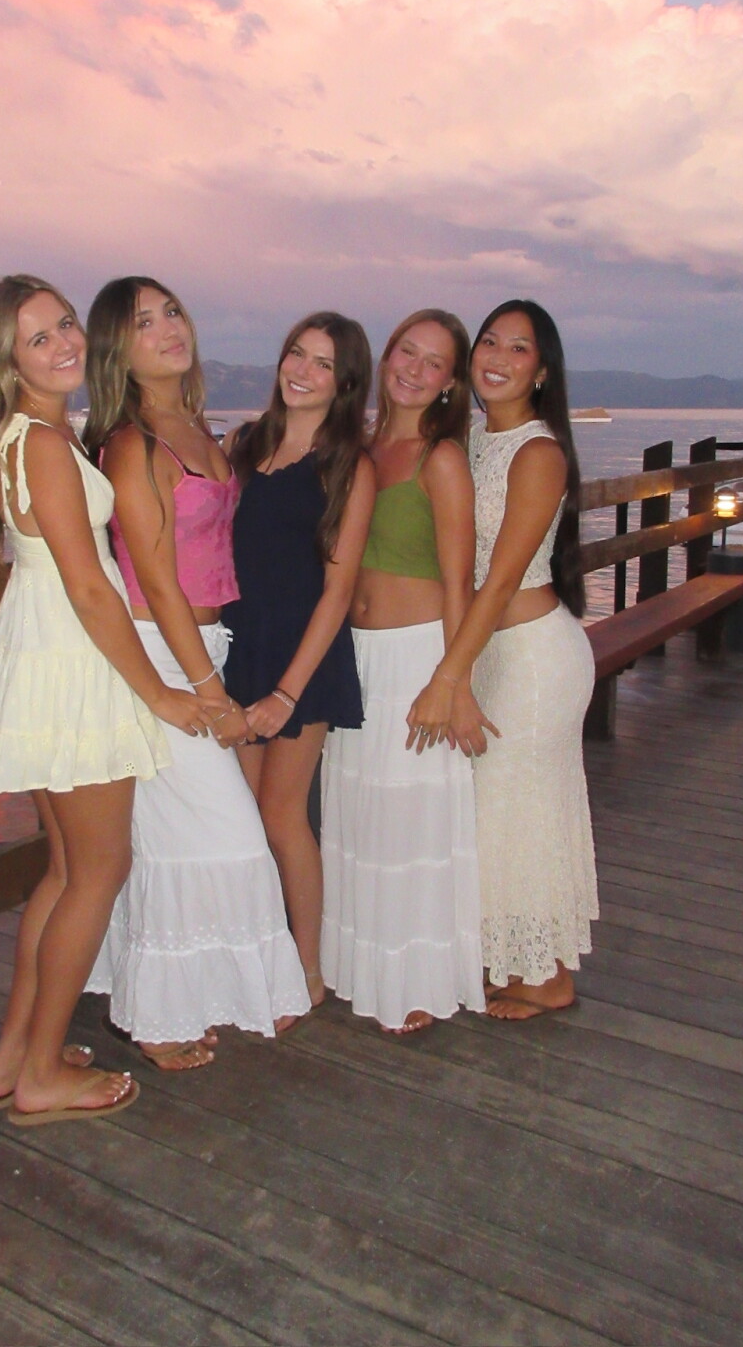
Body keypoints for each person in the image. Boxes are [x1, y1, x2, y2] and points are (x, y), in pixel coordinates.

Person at [0, 275, 214, 1125]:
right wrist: (160, 694)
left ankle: (14, 1056)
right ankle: (38, 1074)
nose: (65, 342)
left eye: (65, 324)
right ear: (7, 361)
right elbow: (92, 589)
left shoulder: (27, 434)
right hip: (73, 666)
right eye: (39, 338)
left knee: (67, 871)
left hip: (43, 660)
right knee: (99, 871)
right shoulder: (42, 444)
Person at [81, 278, 311, 1067]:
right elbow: (157, 580)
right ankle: (157, 1016)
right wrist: (211, 696)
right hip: (161, 653)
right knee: (225, 831)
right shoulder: (133, 443)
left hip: (203, 648)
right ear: (118, 350)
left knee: (177, 836)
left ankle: (165, 1001)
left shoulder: (193, 426)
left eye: (171, 311)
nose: (167, 328)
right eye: (143, 323)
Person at [407, 299, 598, 1020]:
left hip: (532, 659)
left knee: (522, 813)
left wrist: (447, 676)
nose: (498, 357)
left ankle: (547, 977)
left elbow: (501, 578)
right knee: (497, 815)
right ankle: (514, 959)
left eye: (519, 348)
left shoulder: (538, 453)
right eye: (490, 341)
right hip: (485, 651)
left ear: (542, 371)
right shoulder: (469, 439)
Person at [320, 310, 486, 1034]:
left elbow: (460, 581)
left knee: (411, 824)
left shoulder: (439, 459)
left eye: (434, 363)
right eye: (406, 353)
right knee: (360, 820)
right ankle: (361, 968)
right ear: (386, 356)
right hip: (355, 656)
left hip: (417, 657)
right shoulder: (358, 445)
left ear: (450, 382)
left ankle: (416, 981)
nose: (414, 370)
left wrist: (456, 682)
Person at [224, 313, 375, 1008]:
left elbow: (337, 591)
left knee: (283, 815)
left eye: (323, 363)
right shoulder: (243, 444)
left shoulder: (348, 466)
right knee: (243, 818)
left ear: (345, 383)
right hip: (239, 645)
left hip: (303, 657)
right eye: (296, 353)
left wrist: (286, 692)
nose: (303, 371)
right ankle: (255, 962)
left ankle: (308, 975)